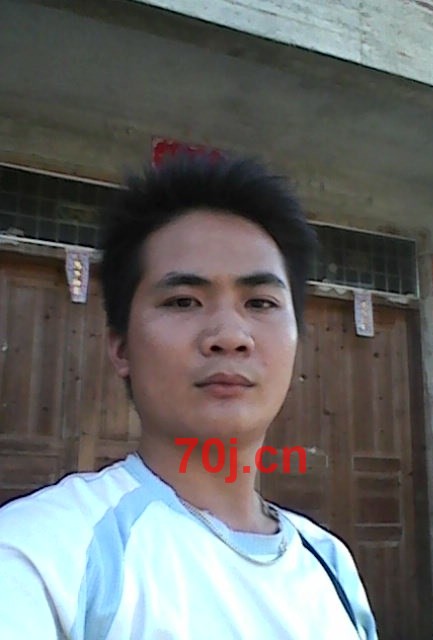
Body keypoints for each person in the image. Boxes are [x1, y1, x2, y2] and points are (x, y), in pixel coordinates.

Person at [0, 151, 378, 639]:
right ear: (121, 348)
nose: (230, 336)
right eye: (183, 301)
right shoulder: (44, 557)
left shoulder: (329, 563)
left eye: (260, 302)